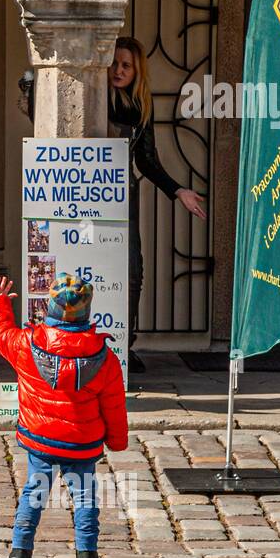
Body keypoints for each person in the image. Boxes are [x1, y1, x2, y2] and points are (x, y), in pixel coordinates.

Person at [0, 272, 127, 558]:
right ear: (87, 312)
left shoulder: (26, 345)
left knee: (34, 492)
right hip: (83, 443)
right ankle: (86, 555)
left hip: (41, 439)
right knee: (85, 496)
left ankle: (20, 552)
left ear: (48, 307)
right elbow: (114, 406)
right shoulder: (105, 358)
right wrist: (117, 441)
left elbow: (0, 333)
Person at [108, 37, 207, 372]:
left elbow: (148, 161)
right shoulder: (95, 97)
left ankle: (123, 345)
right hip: (90, 194)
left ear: (137, 71)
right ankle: (93, 345)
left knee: (133, 272)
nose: (119, 70)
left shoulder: (140, 107)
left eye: (126, 65)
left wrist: (179, 190)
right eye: (115, 63)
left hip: (124, 195)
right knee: (93, 269)